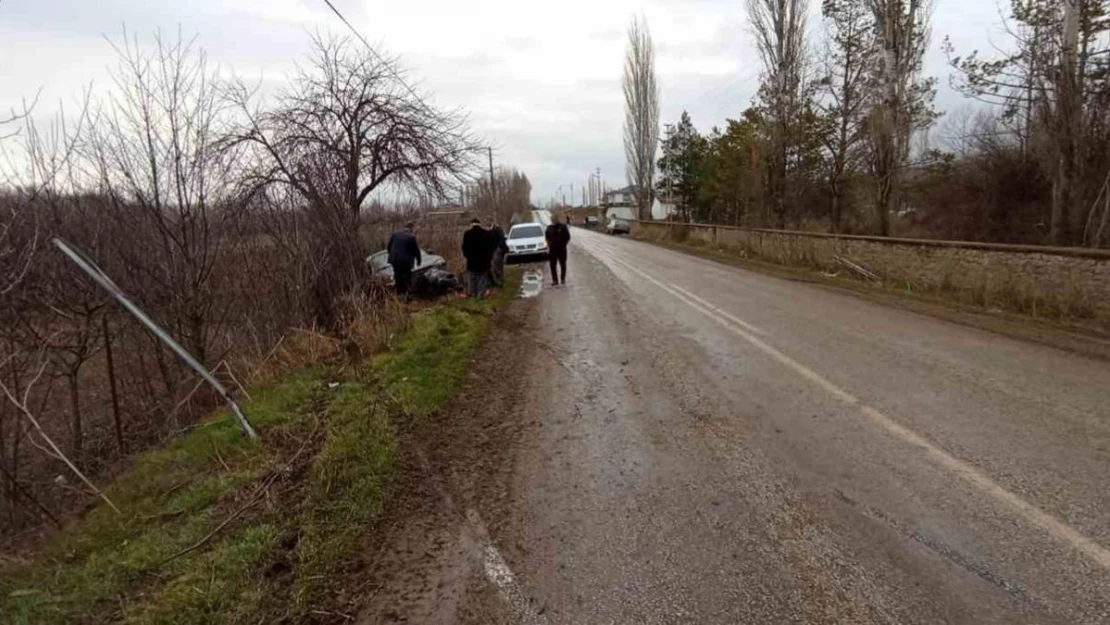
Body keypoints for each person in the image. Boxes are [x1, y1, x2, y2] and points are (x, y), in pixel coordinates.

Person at [386, 222, 421, 297]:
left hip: (395, 260)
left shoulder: (395, 234)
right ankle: (406, 294)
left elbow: (389, 247)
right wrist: (419, 260)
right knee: (406, 278)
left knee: (398, 276)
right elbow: (416, 250)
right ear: (411, 228)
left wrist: (392, 254)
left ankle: (399, 293)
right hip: (406, 262)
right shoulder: (411, 237)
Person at [462, 218, 492, 298]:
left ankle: (473, 293)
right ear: (479, 224)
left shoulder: (467, 234)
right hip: (483, 260)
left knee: (472, 277)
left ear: (472, 224)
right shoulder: (486, 233)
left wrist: (467, 256)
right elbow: (490, 248)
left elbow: (464, 248)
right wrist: (488, 258)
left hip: (471, 260)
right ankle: (480, 293)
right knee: (482, 278)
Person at [544, 214, 571, 287]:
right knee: (552, 265)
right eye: (552, 219)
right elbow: (547, 238)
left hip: (562, 249)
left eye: (554, 219)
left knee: (563, 264)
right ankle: (555, 280)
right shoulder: (549, 228)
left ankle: (562, 279)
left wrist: (564, 244)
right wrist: (548, 245)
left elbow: (568, 237)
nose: (553, 220)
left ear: (557, 219)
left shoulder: (563, 227)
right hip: (552, 250)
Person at [487, 220, 509, 288]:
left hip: (497, 251)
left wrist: (499, 249)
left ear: (491, 222)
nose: (487, 223)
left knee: (498, 267)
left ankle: (500, 282)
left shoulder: (498, 229)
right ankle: (496, 282)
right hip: (491, 251)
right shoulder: (487, 231)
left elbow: (502, 239)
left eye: (488, 221)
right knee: (493, 267)